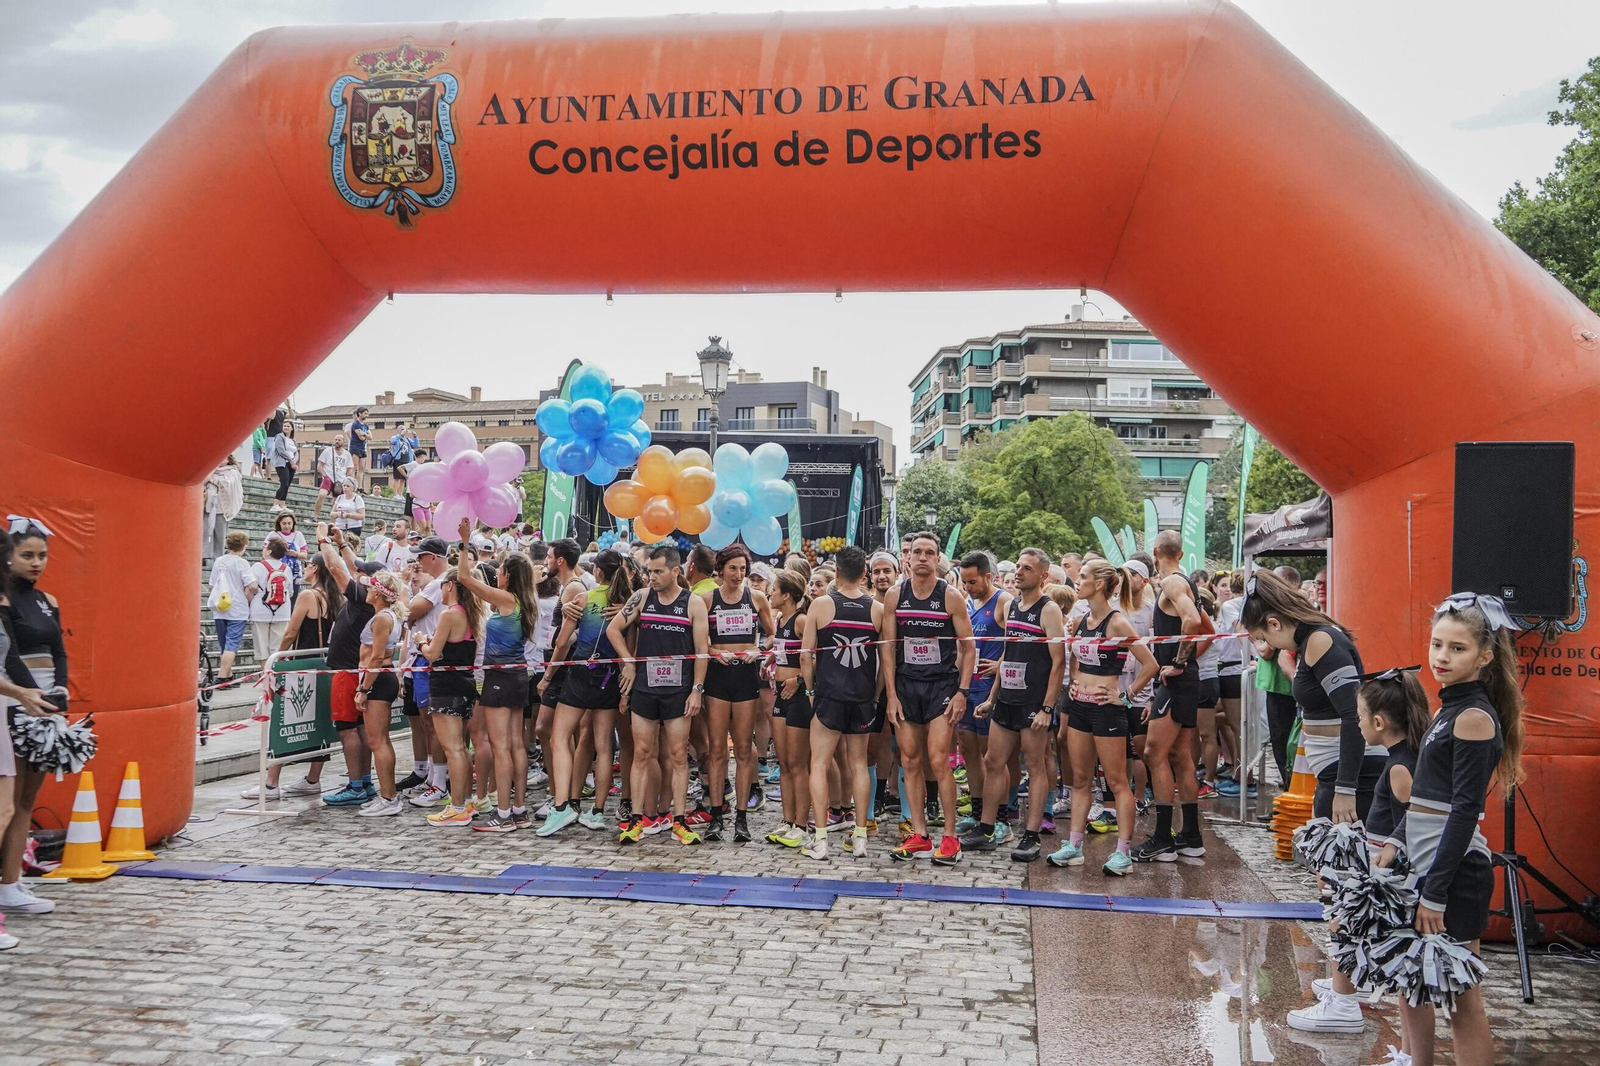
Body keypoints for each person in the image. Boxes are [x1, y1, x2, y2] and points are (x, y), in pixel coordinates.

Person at [1397, 596, 1522, 1066]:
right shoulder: (1450, 708)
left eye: (1457, 649)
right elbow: (1427, 798)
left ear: (1485, 657)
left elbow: (1465, 811)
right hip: (1431, 868)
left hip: (1453, 875)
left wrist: (1435, 891)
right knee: (1419, 984)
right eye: (1436, 644)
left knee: (1461, 997)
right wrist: (1396, 844)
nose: (1441, 657)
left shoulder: (1472, 716)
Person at [1051, 558, 1157, 874]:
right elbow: (1076, 659)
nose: (1077, 581)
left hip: (1107, 709)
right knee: (1081, 780)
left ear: (1098, 584)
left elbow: (1150, 665)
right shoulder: (1081, 620)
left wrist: (1125, 696)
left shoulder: (1117, 622)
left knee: (1116, 782)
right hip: (1079, 707)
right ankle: (1074, 846)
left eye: (1082, 576)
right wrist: (1074, 685)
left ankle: (1123, 852)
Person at [966, 547, 1064, 862]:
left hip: (1033, 701)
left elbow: (1059, 661)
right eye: (1018, 566)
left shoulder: (1048, 610)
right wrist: (992, 698)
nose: (1019, 572)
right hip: (1006, 697)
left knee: (1035, 767)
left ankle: (1031, 835)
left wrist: (1048, 707)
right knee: (993, 762)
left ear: (1043, 576)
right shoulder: (1014, 607)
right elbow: (1008, 654)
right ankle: (986, 829)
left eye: (1027, 568)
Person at [884, 532, 975, 865]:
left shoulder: (950, 596)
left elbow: (969, 648)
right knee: (909, 760)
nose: (922, 557)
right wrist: (891, 694)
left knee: (938, 761)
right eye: (917, 552)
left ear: (938, 559)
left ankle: (950, 837)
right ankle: (920, 834)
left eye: (929, 553)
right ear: (908, 558)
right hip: (907, 686)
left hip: (941, 686)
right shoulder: (896, 595)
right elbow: (888, 650)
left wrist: (962, 692)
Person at [607, 545, 708, 845]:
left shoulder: (693, 603)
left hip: (679, 690)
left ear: (676, 571)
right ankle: (637, 820)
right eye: (650, 571)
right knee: (642, 753)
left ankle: (679, 820)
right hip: (646, 689)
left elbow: (702, 651)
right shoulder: (641, 598)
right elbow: (614, 630)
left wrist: (697, 691)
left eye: (658, 571)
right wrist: (628, 661)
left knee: (678, 755)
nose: (652, 577)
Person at [454, 521, 540, 832]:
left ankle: (503, 813)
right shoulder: (525, 600)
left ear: (508, 575)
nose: (498, 573)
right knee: (516, 745)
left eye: (501, 569)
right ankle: (517, 809)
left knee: (502, 746)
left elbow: (463, 577)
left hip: (500, 676)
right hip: (517, 675)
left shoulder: (507, 599)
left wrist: (465, 542)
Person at [539, 549, 632, 836]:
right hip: (610, 677)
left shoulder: (583, 599)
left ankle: (562, 804)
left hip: (580, 674)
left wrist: (548, 675)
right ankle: (598, 811)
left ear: (599, 573)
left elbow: (563, 642)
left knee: (560, 738)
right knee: (604, 746)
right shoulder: (627, 604)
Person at [0, 523, 66, 921]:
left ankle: (11, 882)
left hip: (44, 704)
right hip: (15, 703)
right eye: (28, 555)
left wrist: (58, 690)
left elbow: (59, 649)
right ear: (10, 555)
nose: (36, 563)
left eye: (42, 555)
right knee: (9, 801)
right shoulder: (5, 600)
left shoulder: (47, 600)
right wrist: (29, 696)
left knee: (25, 801)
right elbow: (7, 655)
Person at [799, 545, 882, 861]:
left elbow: (806, 656)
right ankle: (860, 836)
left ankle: (820, 839)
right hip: (861, 696)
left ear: (835, 573)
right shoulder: (876, 609)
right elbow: (885, 660)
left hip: (828, 696)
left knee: (818, 763)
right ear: (865, 574)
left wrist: (810, 691)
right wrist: (874, 695)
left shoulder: (820, 606)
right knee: (858, 764)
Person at [1133, 531, 1210, 862]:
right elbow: (1206, 628)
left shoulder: (1172, 584)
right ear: (1180, 554)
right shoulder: (1184, 584)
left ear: (1155, 553)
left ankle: (1164, 837)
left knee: (1153, 753)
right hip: (1182, 681)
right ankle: (1191, 836)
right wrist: (1185, 662)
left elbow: (1194, 622)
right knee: (1179, 756)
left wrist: (1178, 664)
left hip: (1178, 680)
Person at [241, 552, 341, 799]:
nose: (304, 569)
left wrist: (276, 659)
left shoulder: (309, 595)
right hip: (324, 664)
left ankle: (271, 782)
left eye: (307, 565)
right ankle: (312, 779)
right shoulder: (336, 596)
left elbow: (291, 631)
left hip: (301, 664)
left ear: (315, 569)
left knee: (286, 720)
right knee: (319, 722)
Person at [700, 545, 775, 843]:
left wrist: (759, 650)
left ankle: (741, 819)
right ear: (721, 569)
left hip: (745, 676)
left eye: (743, 569)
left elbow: (772, 634)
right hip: (718, 677)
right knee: (718, 749)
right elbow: (697, 642)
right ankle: (717, 815)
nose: (739, 574)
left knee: (744, 749)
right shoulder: (707, 600)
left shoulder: (756, 598)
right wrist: (712, 651)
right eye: (733, 568)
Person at [314, 525, 378, 807]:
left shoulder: (364, 597)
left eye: (363, 574)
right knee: (361, 730)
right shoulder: (372, 595)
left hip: (347, 671)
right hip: (356, 670)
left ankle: (355, 785)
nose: (358, 574)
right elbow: (351, 566)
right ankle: (363, 782)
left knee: (348, 729)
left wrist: (322, 540)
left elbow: (337, 570)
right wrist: (342, 543)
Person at [416, 568, 484, 827]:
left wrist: (422, 642)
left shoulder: (450, 614)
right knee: (461, 748)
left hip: (447, 685)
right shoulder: (470, 614)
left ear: (451, 586)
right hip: (464, 684)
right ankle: (464, 801)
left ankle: (457, 807)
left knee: (453, 747)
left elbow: (432, 654)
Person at [956, 551, 1009, 837]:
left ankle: (1000, 817)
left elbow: (1023, 638)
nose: (968, 587)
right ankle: (978, 813)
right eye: (964, 582)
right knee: (969, 751)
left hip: (991, 688)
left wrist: (1002, 662)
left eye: (973, 581)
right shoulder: (967, 603)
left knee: (994, 757)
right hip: (968, 685)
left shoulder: (1003, 601)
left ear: (988, 576)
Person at [354, 571, 409, 817]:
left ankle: (389, 797)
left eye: (370, 588)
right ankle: (387, 795)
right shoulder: (387, 616)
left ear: (378, 592)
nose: (367, 591)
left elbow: (376, 656)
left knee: (378, 741)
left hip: (377, 679)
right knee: (381, 740)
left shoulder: (382, 619)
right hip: (380, 677)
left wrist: (364, 688)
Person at [764, 568, 812, 848]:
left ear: (786, 595)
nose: (770, 592)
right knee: (783, 762)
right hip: (780, 693)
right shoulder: (781, 619)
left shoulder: (802, 620)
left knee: (797, 763)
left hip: (798, 695)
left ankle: (802, 824)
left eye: (774, 589)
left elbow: (817, 658)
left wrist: (798, 679)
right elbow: (784, 651)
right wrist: (769, 662)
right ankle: (788, 820)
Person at [1215, 570, 1249, 798]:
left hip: (1235, 670)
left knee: (1239, 727)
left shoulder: (1230, 606)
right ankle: (1238, 771)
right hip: (1235, 669)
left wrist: (1258, 653)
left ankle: (1244, 777)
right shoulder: (1243, 604)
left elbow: (1241, 634)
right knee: (1236, 724)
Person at [207, 530, 257, 688]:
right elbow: (253, 585)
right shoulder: (242, 563)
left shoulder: (219, 561)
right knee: (232, 643)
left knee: (224, 643)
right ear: (243, 546)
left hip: (220, 607)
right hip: (238, 608)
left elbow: (211, 585)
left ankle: (228, 675)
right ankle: (222, 676)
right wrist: (249, 595)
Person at [247, 534, 295, 667]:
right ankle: (276, 677)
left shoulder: (257, 566)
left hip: (259, 609)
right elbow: (290, 592)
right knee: (277, 647)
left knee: (262, 647)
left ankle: (266, 677)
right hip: (282, 610)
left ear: (269, 551)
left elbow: (251, 588)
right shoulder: (287, 569)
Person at [202, 456, 243, 559]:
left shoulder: (232, 471)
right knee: (206, 531)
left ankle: (218, 555)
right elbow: (203, 481)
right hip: (208, 505)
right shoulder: (211, 470)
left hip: (222, 507)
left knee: (220, 533)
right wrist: (213, 470)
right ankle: (205, 555)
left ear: (228, 459)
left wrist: (213, 481)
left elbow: (228, 484)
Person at [268, 421, 299, 513]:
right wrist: (290, 459)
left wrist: (294, 461)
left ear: (292, 428)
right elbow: (280, 450)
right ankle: (275, 504)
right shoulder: (279, 437)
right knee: (284, 483)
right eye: (284, 426)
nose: (286, 427)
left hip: (291, 464)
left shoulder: (293, 441)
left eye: (288, 426)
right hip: (282, 463)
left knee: (287, 485)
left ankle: (283, 504)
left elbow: (296, 452)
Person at [348, 407, 371, 489]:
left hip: (362, 448)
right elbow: (360, 437)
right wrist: (366, 436)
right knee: (355, 466)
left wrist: (364, 434)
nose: (366, 415)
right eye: (365, 413)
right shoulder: (355, 424)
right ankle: (352, 484)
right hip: (355, 447)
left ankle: (360, 486)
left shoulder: (366, 426)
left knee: (361, 468)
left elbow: (371, 437)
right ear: (359, 414)